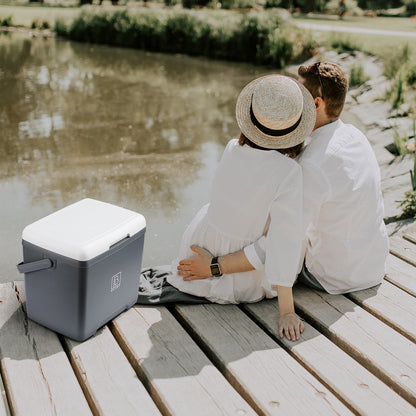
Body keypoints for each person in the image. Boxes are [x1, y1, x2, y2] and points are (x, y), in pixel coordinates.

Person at [177, 62, 389, 340]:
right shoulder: (356, 137)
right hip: (373, 264)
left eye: (296, 96)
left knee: (271, 222)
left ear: (314, 104)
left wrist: (215, 266)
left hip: (332, 278)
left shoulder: (310, 165)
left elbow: (281, 242)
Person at [166, 74, 316, 341]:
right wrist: (287, 311)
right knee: (299, 233)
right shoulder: (288, 171)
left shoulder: (231, 148)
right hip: (239, 280)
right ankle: (219, 268)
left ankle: (214, 266)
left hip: (199, 251)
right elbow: (283, 243)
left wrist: (210, 266)